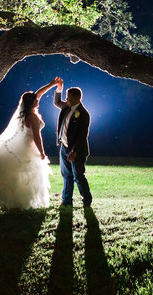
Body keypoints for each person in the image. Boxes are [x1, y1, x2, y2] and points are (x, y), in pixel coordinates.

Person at [0, 78, 61, 208]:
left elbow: (38, 93)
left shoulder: (26, 113)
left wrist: (52, 85)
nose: (38, 100)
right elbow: (36, 136)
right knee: (28, 174)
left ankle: (16, 201)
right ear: (31, 103)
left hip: (23, 144)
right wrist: (42, 152)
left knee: (20, 173)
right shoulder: (33, 117)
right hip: (29, 147)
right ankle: (22, 202)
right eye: (36, 100)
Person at [53, 77, 93, 207]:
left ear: (77, 98)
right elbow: (57, 102)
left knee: (78, 176)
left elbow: (82, 135)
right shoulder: (66, 107)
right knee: (66, 175)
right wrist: (59, 88)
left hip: (77, 150)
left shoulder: (84, 114)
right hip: (64, 147)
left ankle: (87, 201)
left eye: (68, 97)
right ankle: (66, 201)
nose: (66, 99)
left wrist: (74, 151)